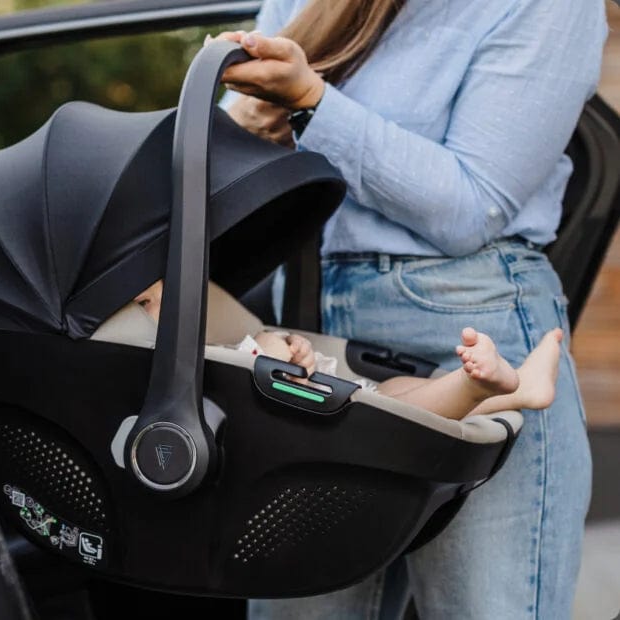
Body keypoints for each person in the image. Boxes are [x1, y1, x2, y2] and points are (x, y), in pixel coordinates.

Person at [207, 0, 607, 617]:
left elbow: (472, 206)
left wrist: (313, 100)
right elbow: (232, 147)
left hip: (471, 325)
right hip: (311, 324)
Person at [136, 280, 562, 421]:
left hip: (330, 396)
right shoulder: (157, 366)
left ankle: (519, 388)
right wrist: (268, 349)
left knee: (394, 388)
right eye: (150, 301)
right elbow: (238, 381)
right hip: (326, 423)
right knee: (400, 414)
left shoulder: (196, 343)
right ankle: (474, 384)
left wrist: (294, 350)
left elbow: (261, 359)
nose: (174, 304)